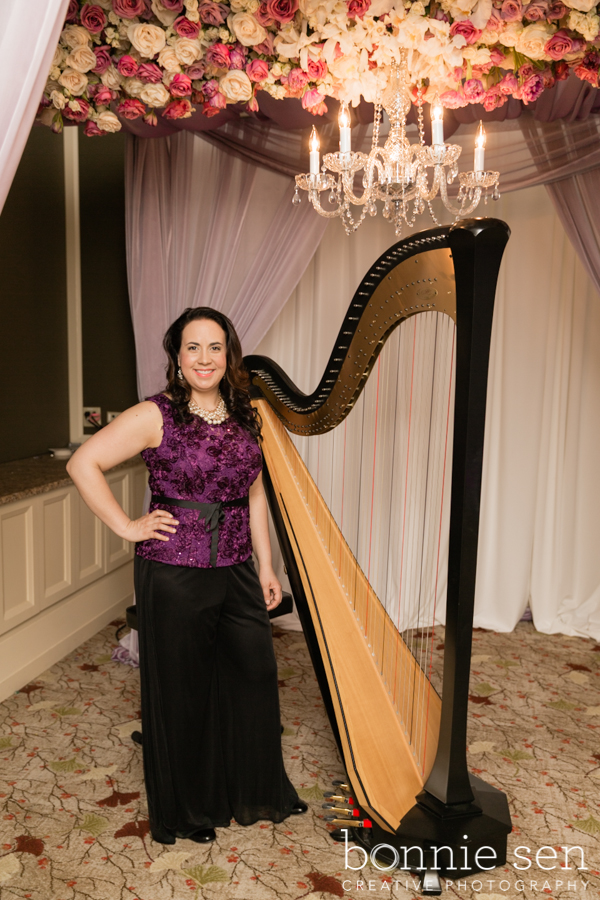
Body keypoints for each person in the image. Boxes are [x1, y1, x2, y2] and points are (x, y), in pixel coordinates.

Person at [67, 306, 306, 845]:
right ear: (177, 356)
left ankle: (253, 789)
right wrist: (127, 526)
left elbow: (254, 491)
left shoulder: (246, 412)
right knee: (185, 689)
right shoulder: (156, 414)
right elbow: (82, 463)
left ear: (229, 355)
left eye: (214, 347)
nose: (204, 358)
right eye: (192, 347)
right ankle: (191, 808)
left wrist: (267, 565)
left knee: (253, 676)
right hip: (174, 570)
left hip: (237, 567)